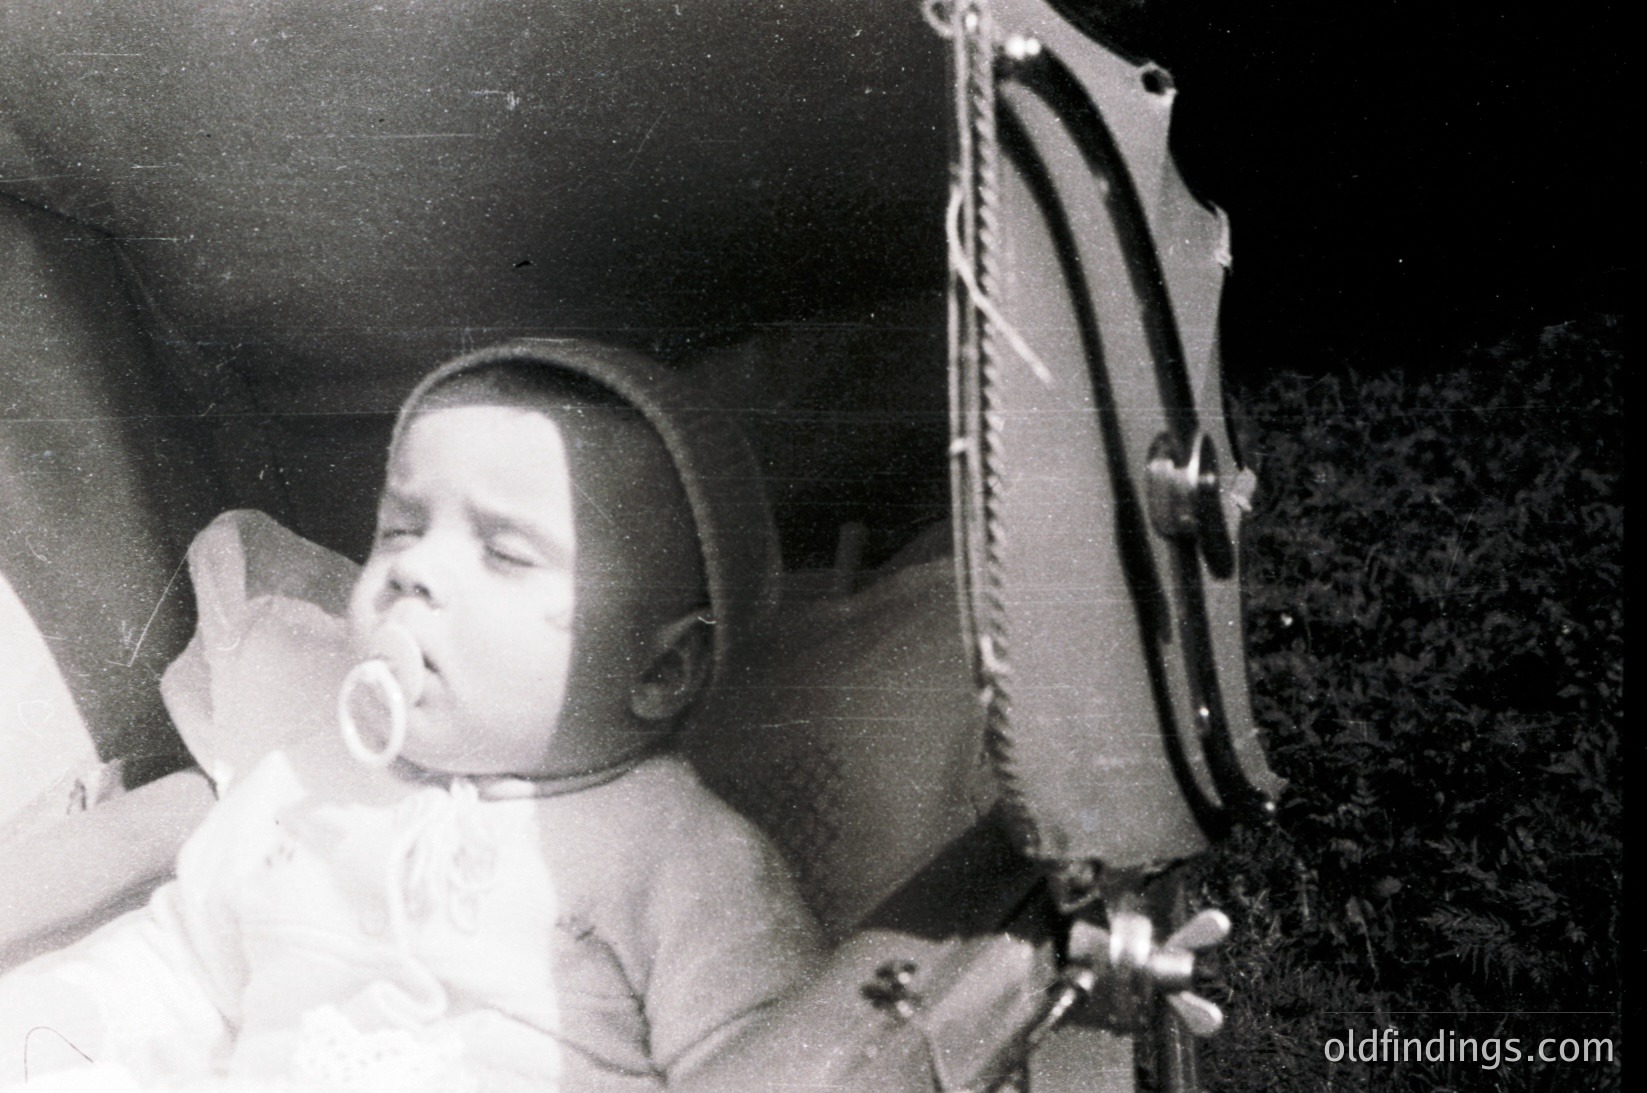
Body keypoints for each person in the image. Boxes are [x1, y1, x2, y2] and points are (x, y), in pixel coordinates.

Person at [0, 340, 823, 1092]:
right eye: (400, 529)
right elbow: (184, 964)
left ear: (660, 668)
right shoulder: (301, 780)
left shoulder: (675, 849)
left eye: (504, 552)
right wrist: (63, 1028)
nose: (414, 569)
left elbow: (769, 1060)